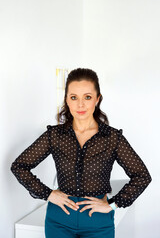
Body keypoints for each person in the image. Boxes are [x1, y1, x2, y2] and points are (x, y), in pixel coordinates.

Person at [10, 68, 152, 238]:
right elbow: (19, 166)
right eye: (74, 97)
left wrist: (112, 205)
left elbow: (142, 176)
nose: (80, 105)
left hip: (98, 222)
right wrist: (48, 194)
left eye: (87, 97)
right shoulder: (54, 135)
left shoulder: (112, 138)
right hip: (59, 220)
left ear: (97, 99)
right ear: (67, 100)